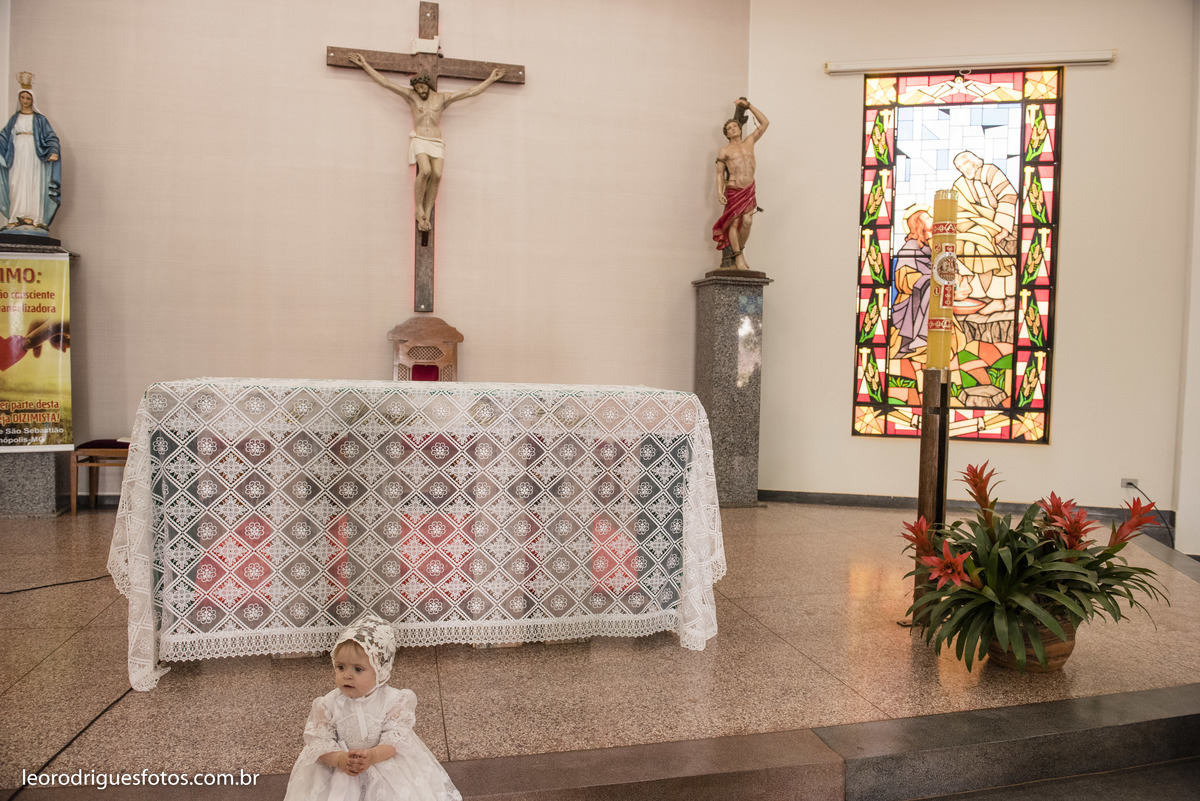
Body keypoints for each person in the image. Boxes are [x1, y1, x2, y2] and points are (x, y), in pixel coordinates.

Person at [284, 614, 461, 801]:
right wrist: (338, 759)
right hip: (340, 766)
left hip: (382, 761)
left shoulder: (394, 700)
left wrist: (372, 755)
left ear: (380, 671)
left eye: (358, 669)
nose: (347, 675)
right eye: (341, 667)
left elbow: (396, 740)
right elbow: (318, 743)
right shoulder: (327, 704)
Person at [348, 53, 505, 232]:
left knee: (437, 175)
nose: (420, 91)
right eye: (417, 88)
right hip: (420, 139)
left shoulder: (442, 98)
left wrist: (491, 79)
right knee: (426, 171)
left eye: (422, 87)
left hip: (437, 141)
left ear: (428, 85)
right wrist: (365, 65)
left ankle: (427, 211)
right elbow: (386, 83)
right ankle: (418, 208)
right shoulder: (411, 97)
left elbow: (469, 92)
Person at [951, 151, 1017, 314]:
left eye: (965, 164)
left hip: (996, 223)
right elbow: (957, 209)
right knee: (963, 245)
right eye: (959, 167)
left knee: (984, 245)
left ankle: (997, 299)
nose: (963, 169)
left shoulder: (991, 172)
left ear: (975, 162)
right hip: (972, 225)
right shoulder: (960, 184)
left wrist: (1003, 229)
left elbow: (1008, 196)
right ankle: (971, 291)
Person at [0, 77, 61, 235]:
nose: (25, 100)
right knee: (16, 183)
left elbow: (52, 137)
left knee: (34, 184)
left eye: (28, 98)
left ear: (32, 100)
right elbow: (3, 138)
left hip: (34, 156)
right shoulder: (14, 119)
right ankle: (15, 216)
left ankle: (34, 218)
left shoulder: (40, 120)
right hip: (16, 156)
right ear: (19, 98)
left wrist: (53, 151)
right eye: (22, 97)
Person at [713, 98, 768, 270]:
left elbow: (765, 122)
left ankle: (740, 251)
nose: (732, 129)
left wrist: (749, 106)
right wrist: (719, 192)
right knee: (734, 222)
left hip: (748, 188)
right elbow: (720, 173)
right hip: (733, 188)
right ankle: (739, 258)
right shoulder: (725, 150)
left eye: (734, 126)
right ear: (727, 134)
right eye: (729, 129)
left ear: (739, 128)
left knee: (748, 221)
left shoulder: (749, 142)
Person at [890, 205, 933, 358]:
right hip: (910, 301)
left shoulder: (930, 247)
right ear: (918, 225)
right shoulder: (910, 248)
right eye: (927, 218)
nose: (932, 219)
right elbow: (904, 281)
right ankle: (918, 339)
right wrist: (929, 279)